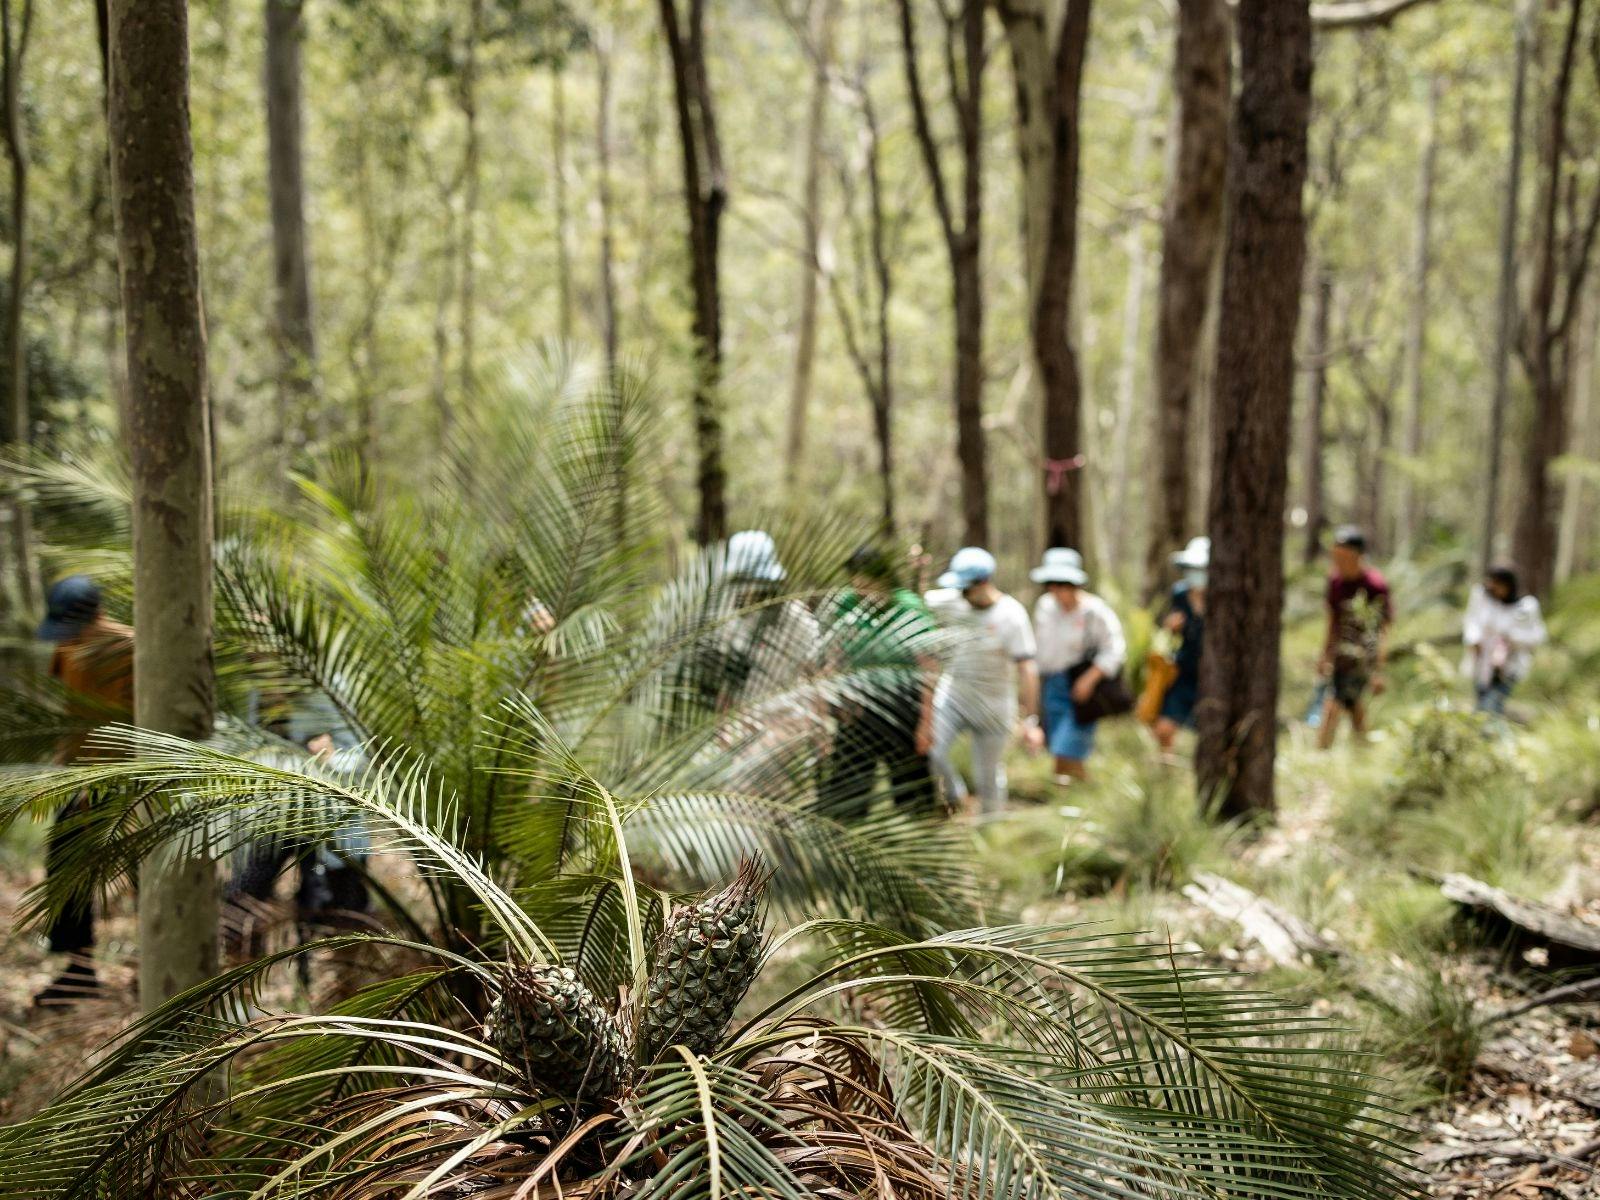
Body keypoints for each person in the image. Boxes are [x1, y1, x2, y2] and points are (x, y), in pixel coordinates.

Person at [33, 575, 134, 1006]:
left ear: (96, 615)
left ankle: (160, 970)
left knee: (150, 875)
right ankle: (78, 971)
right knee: (66, 871)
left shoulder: (130, 647)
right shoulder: (67, 646)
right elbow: (71, 706)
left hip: (129, 777)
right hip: (79, 779)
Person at [924, 547, 1041, 815]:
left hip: (994, 705)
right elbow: (915, 598)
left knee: (988, 775)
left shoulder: (1011, 615)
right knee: (933, 751)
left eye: (967, 589)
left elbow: (1028, 670)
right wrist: (919, 568)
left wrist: (1030, 720)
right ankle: (956, 797)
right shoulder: (951, 601)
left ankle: (991, 828)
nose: (963, 595)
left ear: (985, 582)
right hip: (953, 695)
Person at [824, 546, 939, 815]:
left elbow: (928, 666)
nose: (862, 588)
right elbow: (834, 658)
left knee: (913, 794)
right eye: (856, 581)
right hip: (855, 706)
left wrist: (926, 721)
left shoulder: (908, 606)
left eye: (869, 580)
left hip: (902, 706)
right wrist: (830, 705)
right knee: (847, 795)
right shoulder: (844, 605)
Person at [1031, 548, 1125, 783]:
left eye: (1062, 584)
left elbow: (1114, 649)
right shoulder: (1045, 607)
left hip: (1081, 688)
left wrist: (1090, 678)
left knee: (1069, 746)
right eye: (1051, 584)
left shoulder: (1095, 611)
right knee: (1057, 748)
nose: (1056, 590)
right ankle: (1071, 793)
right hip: (1052, 685)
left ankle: (1073, 793)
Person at [1317, 526, 1392, 749]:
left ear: (1358, 556)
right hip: (1342, 655)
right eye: (1336, 555)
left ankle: (1321, 752)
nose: (1339, 561)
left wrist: (1378, 668)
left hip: (1364, 656)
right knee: (1352, 704)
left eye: (1344, 556)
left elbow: (1384, 628)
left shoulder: (1375, 585)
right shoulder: (1335, 582)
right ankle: (1363, 750)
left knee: (1334, 705)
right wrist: (1325, 655)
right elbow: (1333, 621)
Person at [1463, 563, 1546, 716]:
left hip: (1508, 667)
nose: (1494, 588)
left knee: (1489, 706)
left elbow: (1537, 637)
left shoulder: (1526, 607)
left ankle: (1485, 734)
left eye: (1498, 584)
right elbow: (1471, 621)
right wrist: (1474, 641)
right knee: (1483, 703)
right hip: (1483, 664)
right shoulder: (1482, 598)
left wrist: (1511, 638)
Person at [1152, 536, 1208, 756]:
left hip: (1212, 674)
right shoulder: (1180, 594)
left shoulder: (1223, 596)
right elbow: (1171, 630)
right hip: (1184, 670)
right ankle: (1167, 768)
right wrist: (1172, 627)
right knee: (1164, 727)